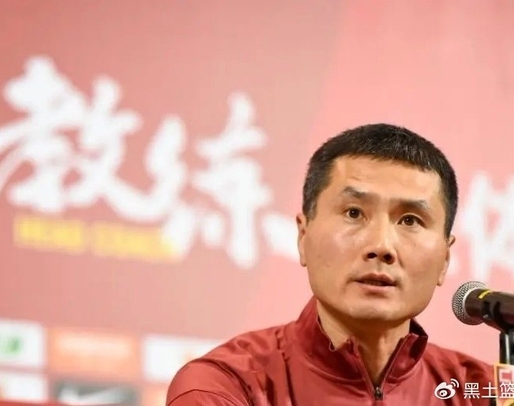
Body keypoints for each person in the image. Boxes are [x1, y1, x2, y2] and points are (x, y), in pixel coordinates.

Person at [166, 124, 494, 405]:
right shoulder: (227, 386)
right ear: (303, 236)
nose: (381, 246)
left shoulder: (486, 393)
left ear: (445, 259)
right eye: (354, 213)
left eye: (410, 220)